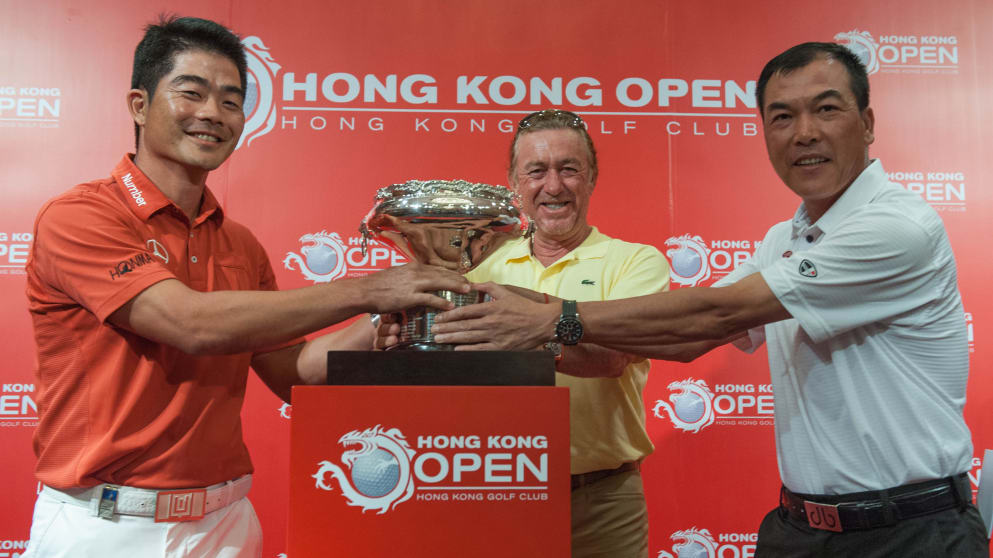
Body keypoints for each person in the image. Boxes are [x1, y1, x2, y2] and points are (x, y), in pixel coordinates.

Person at [431, 43, 989, 556]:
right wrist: (528, 309)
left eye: (826, 110)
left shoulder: (895, 226)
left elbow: (718, 311)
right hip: (800, 528)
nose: (804, 133)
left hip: (912, 531)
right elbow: (691, 338)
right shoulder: (781, 240)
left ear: (867, 123)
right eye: (782, 117)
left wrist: (552, 319)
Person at [22, 16, 467, 558]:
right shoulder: (82, 216)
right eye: (192, 93)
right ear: (139, 105)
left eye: (231, 101)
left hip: (225, 522)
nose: (212, 113)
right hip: (106, 526)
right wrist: (373, 289)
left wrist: (389, 316)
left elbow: (292, 374)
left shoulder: (240, 243)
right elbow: (188, 323)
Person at [380, 108, 670, 557]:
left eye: (568, 169)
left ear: (591, 177)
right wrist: (404, 339)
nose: (553, 186)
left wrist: (531, 334)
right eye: (536, 171)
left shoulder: (635, 261)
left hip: (601, 500)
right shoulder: (477, 264)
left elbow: (613, 357)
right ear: (514, 183)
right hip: (492, 487)